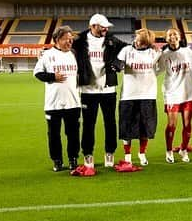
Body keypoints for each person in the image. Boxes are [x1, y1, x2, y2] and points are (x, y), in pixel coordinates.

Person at [72, 13, 128, 168]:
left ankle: (110, 153)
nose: (105, 29)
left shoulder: (112, 39)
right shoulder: (79, 41)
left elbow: (127, 48)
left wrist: (118, 63)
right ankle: (88, 154)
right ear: (92, 26)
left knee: (110, 123)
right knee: (89, 124)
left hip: (108, 89)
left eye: (106, 27)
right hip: (87, 90)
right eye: (103, 27)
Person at [33, 26, 81, 172]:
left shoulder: (74, 54)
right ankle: (57, 161)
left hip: (73, 102)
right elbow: (37, 73)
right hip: (53, 103)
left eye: (71, 39)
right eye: (67, 39)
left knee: (73, 134)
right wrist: (53, 77)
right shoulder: (47, 55)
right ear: (58, 39)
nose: (70, 41)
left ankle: (73, 159)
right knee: (54, 135)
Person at [116, 29, 161, 166]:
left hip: (148, 94)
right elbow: (119, 63)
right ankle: (127, 155)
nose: (138, 42)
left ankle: (142, 154)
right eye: (137, 39)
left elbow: (161, 65)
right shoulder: (126, 50)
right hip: (128, 95)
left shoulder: (154, 52)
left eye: (142, 41)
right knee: (127, 128)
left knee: (145, 128)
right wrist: (118, 66)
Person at [158, 28, 192, 163]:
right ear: (166, 39)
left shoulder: (188, 52)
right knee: (172, 125)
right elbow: (157, 71)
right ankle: (169, 151)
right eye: (169, 35)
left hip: (187, 93)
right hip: (172, 93)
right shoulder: (164, 55)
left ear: (179, 37)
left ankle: (183, 149)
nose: (172, 36)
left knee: (187, 124)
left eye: (175, 34)